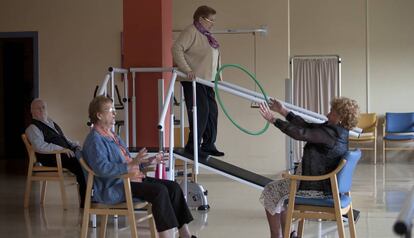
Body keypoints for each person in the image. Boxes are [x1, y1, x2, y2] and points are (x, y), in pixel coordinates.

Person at [82, 96, 196, 238]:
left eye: (113, 109)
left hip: (133, 179)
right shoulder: (94, 139)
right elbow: (102, 168)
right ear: (99, 115)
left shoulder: (113, 136)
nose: (114, 113)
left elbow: (132, 163)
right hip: (116, 185)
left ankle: (185, 235)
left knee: (174, 188)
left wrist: (150, 161)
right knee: (159, 191)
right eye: (110, 110)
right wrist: (131, 165)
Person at [258, 97, 359, 238]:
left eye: (332, 112)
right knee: (281, 194)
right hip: (327, 187)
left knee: (270, 191)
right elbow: (307, 126)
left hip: (315, 189)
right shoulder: (338, 132)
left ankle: (277, 236)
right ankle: (291, 234)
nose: (327, 114)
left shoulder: (330, 134)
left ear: (341, 117)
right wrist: (283, 110)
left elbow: (301, 133)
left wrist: (274, 120)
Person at [172, 5, 224, 157]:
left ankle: (208, 144)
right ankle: (193, 145)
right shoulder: (191, 31)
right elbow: (176, 48)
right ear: (201, 19)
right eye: (211, 20)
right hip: (194, 80)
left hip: (207, 80)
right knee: (201, 112)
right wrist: (187, 70)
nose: (213, 23)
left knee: (212, 112)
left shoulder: (206, 35)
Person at [25, 98, 86, 207]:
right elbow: (40, 146)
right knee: (79, 165)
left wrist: (73, 145)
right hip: (51, 157)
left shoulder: (51, 123)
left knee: (87, 158)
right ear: (32, 111)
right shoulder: (32, 128)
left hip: (64, 153)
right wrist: (61, 149)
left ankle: (95, 194)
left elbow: (64, 138)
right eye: (38, 108)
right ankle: (86, 201)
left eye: (43, 107)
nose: (41, 110)